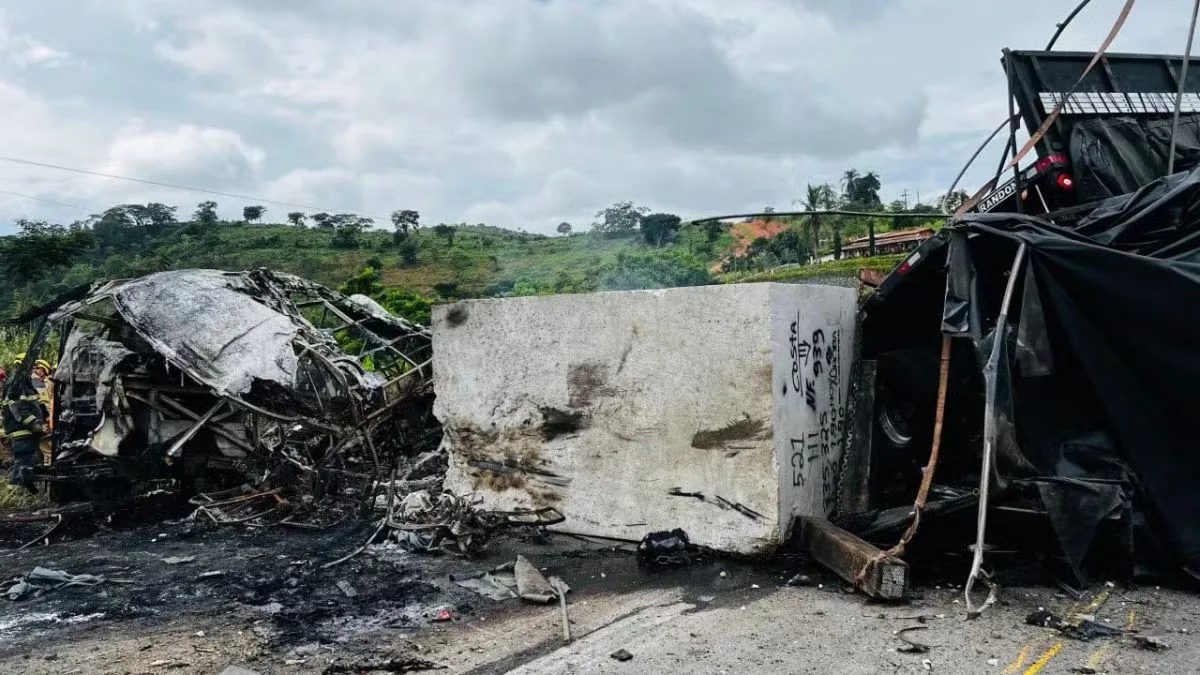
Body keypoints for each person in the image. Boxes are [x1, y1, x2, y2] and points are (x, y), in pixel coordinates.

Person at [3, 373, 46, 492]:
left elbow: (34, 405)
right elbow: (18, 407)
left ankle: (20, 490)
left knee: (26, 459)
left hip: (23, 429)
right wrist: (34, 424)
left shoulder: (22, 382)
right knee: (24, 459)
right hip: (21, 429)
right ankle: (16, 490)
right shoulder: (18, 382)